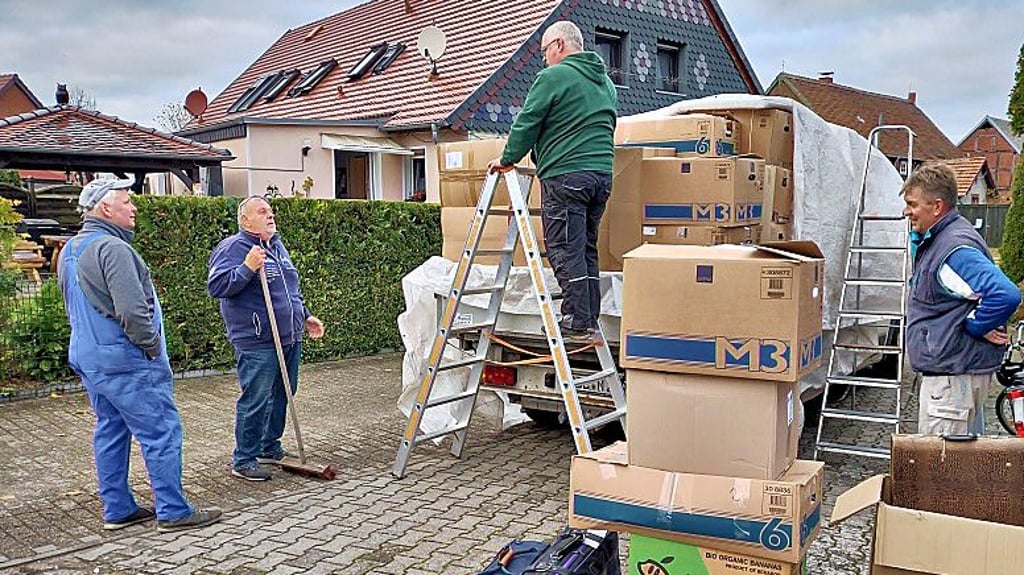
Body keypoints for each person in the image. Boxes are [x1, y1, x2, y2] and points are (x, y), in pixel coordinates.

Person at [59, 178, 222, 533]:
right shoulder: (113, 249)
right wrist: (151, 347)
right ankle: (173, 510)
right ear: (105, 208)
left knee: (111, 429)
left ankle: (117, 508)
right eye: (127, 201)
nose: (134, 208)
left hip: (89, 357)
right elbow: (133, 312)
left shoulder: (70, 249)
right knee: (161, 431)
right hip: (126, 361)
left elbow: (73, 305)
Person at [487, 20, 618, 342]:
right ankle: (587, 315)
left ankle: (574, 320)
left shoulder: (553, 76)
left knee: (564, 247)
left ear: (559, 44)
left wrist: (508, 159)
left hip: (566, 174)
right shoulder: (605, 83)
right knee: (586, 247)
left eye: (544, 50)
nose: (543, 58)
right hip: (601, 176)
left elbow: (527, 121)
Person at [207, 196, 324, 481]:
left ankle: (268, 446)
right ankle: (244, 458)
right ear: (246, 220)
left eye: (271, 211)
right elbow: (217, 285)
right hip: (258, 338)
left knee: (285, 391)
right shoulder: (234, 247)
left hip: (288, 335)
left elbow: (288, 289)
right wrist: (247, 267)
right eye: (262, 212)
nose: (270, 215)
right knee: (256, 398)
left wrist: (305, 315)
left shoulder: (276, 246)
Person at [903, 163, 1021, 435]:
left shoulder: (953, 248)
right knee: (963, 465)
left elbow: (1005, 294)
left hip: (952, 382)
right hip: (957, 376)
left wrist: (975, 325)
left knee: (942, 469)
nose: (907, 211)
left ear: (937, 206)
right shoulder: (944, 237)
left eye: (912, 204)